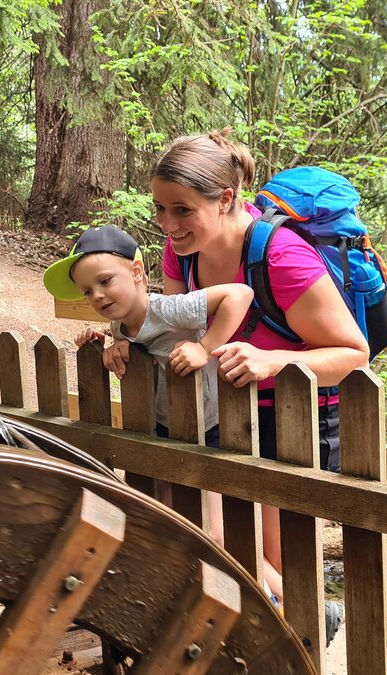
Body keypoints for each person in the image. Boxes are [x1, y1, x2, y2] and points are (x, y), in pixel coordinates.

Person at [103, 130, 368, 638]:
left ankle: (305, 638)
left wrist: (269, 360)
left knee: (276, 559)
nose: (168, 224)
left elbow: (353, 355)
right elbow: (174, 329)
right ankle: (280, 637)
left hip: (290, 417)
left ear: (225, 199)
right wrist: (122, 341)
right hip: (220, 415)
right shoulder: (180, 253)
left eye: (182, 210)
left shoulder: (281, 257)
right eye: (160, 209)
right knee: (224, 543)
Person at [42, 224, 253, 546]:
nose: (96, 295)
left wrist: (205, 347)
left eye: (105, 281)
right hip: (162, 427)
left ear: (137, 272)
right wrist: (105, 343)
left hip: (209, 428)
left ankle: (271, 597)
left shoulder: (168, 308)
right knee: (167, 516)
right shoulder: (119, 322)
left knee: (214, 532)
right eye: (87, 291)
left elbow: (240, 294)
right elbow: (133, 344)